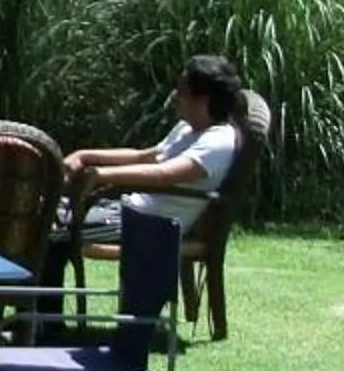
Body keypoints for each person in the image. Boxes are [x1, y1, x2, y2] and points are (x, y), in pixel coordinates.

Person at [61, 53, 249, 247]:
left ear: (202, 100)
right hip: (125, 210)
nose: (175, 96)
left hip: (149, 223)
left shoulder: (217, 142)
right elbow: (142, 156)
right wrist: (84, 156)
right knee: (43, 210)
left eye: (182, 90)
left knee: (48, 226)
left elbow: (164, 174)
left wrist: (100, 175)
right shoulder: (186, 128)